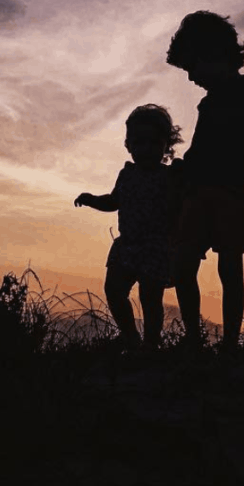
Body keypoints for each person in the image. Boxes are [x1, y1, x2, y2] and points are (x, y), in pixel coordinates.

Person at [166, 10, 244, 352]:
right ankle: (193, 339)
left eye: (192, 67)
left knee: (230, 268)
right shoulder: (208, 102)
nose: (190, 78)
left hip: (232, 194)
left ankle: (231, 344)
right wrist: (179, 173)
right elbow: (199, 150)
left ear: (212, 55)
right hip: (196, 192)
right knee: (183, 267)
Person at [75, 104, 184, 350]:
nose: (145, 149)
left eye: (153, 143)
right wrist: (92, 199)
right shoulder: (127, 174)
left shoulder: (170, 177)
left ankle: (151, 345)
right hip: (128, 245)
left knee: (150, 298)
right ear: (129, 145)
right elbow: (114, 201)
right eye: (139, 142)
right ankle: (130, 337)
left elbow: (182, 208)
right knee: (114, 290)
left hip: (157, 247)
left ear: (165, 145)